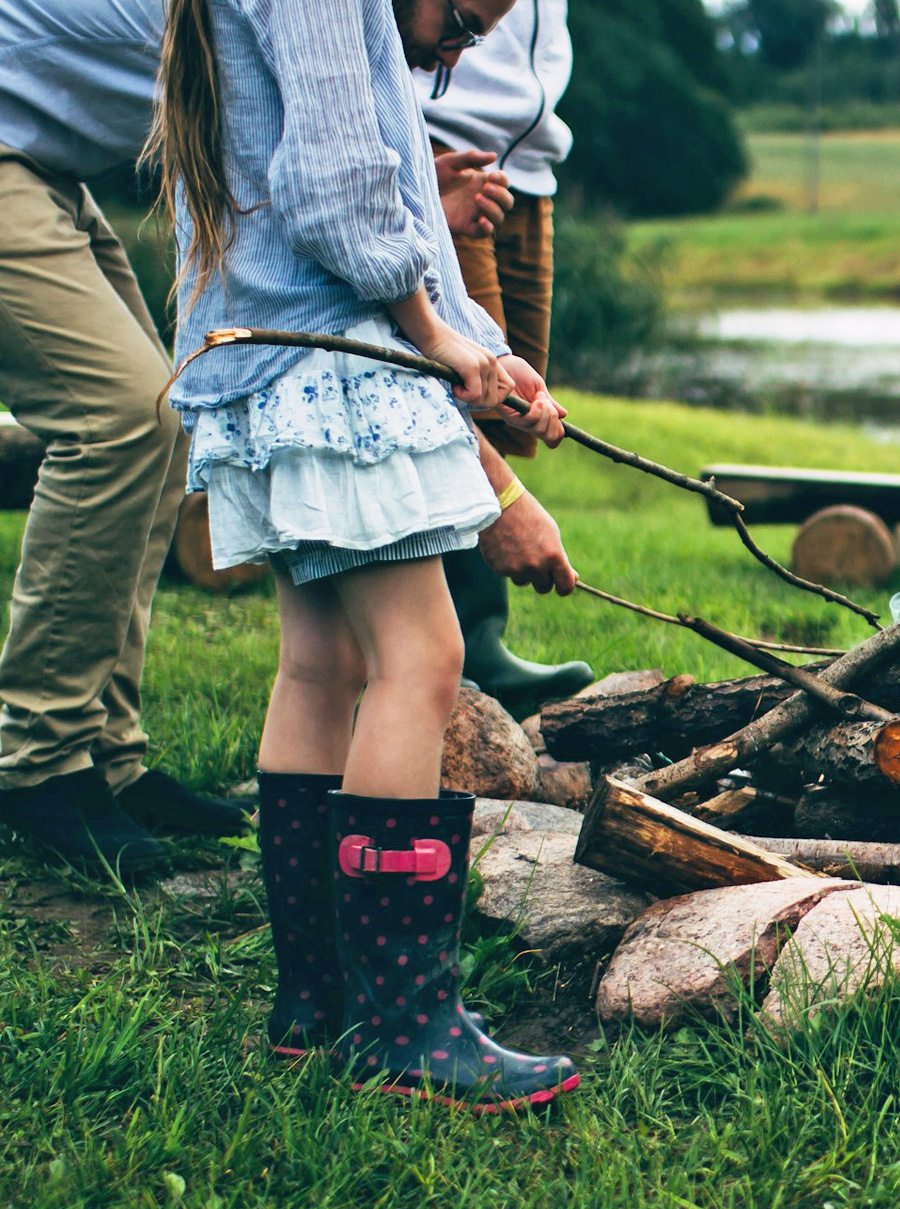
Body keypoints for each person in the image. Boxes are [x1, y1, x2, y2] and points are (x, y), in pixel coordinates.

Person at [149, 0, 579, 1108]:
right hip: (332, 366)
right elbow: (340, 187)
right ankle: (406, 1027)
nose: (461, 46)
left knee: (322, 668)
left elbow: (376, 207)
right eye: (463, 16)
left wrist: (489, 357)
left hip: (266, 360)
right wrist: (439, 343)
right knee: (421, 663)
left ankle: (320, 1004)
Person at [0, 0, 251, 879]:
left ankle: (106, 755)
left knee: (164, 417)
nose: (451, 50)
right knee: (122, 418)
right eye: (455, 21)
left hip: (46, 167)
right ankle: (37, 758)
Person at [418, 0, 593, 713]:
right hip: (443, 140)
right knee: (450, 391)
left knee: (508, 407)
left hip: (532, 160)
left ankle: (473, 637)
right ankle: (449, 643)